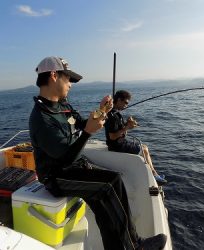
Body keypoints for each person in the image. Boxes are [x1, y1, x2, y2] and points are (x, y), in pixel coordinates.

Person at [29, 56, 167, 250]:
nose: (70, 84)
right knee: (107, 187)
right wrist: (87, 133)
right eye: (68, 79)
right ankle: (133, 247)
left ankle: (131, 242)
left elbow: (84, 123)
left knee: (113, 184)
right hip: (56, 177)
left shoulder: (63, 106)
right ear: (53, 76)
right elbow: (66, 156)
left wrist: (102, 111)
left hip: (72, 167)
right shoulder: (41, 118)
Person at [104, 90, 167, 184]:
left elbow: (117, 129)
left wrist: (127, 123)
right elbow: (112, 136)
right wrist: (127, 127)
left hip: (120, 143)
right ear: (119, 100)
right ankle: (154, 175)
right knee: (144, 149)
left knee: (144, 147)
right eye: (125, 103)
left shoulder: (116, 113)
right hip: (117, 146)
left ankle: (154, 174)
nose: (126, 105)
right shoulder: (112, 115)